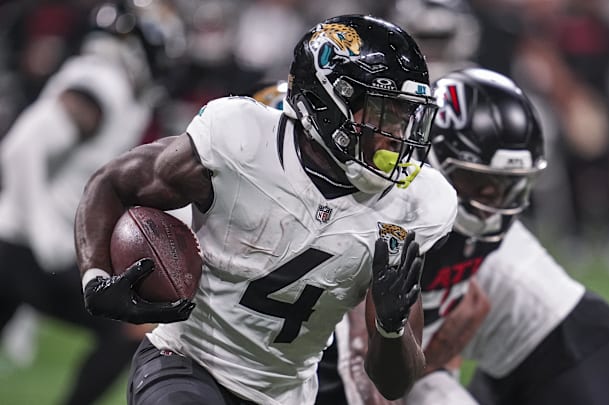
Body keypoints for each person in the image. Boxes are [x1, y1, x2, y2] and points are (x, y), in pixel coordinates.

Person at [74, 14, 457, 405]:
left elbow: (394, 384)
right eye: (383, 111)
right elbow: (113, 182)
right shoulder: (242, 141)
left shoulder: (413, 205)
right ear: (330, 99)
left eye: (405, 115)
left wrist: (392, 329)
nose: (397, 132)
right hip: (186, 362)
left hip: (284, 396)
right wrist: (95, 277)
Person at [317, 68, 609, 405]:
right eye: (479, 183)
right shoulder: (389, 216)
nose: (492, 205)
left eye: (508, 187)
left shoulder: (479, 237)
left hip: (566, 347)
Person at [0, 2, 177, 404]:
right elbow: (18, 151)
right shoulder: (105, 83)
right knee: (131, 328)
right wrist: (48, 236)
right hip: (24, 248)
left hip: (13, 242)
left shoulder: (104, 81)